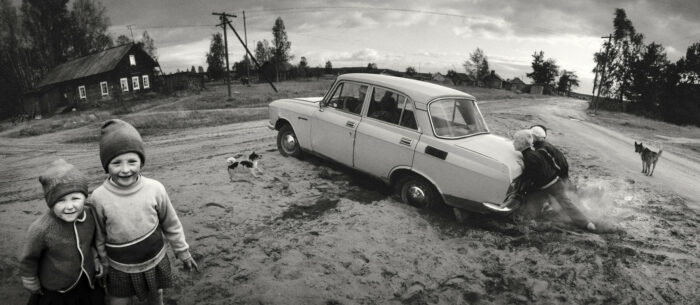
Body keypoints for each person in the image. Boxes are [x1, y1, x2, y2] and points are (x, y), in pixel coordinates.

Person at [90, 119, 198, 305]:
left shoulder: (155, 189)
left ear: (141, 161)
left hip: (153, 260)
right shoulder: (98, 197)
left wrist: (182, 251)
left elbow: (171, 223)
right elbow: (98, 235)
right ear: (106, 165)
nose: (125, 169)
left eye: (132, 161)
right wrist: (102, 261)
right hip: (118, 267)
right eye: (116, 163)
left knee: (155, 299)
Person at [19, 159, 105, 305]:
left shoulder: (89, 214)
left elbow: (92, 241)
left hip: (86, 281)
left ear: (85, 197)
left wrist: (95, 258)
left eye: (75, 198)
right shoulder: (41, 229)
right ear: (50, 202)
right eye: (61, 200)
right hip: (57, 290)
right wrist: (30, 279)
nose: (69, 206)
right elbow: (29, 258)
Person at [512, 130, 596, 232]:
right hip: (553, 183)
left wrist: (519, 180)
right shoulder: (534, 153)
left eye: (515, 140)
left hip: (550, 186)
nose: (513, 143)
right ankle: (585, 222)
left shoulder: (530, 157)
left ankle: (587, 224)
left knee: (565, 204)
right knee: (563, 204)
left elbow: (530, 176)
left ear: (521, 143)